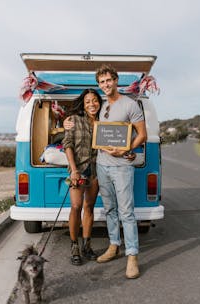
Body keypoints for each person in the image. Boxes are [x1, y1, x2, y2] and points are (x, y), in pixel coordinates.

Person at [95, 64, 147, 279]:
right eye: (101, 82)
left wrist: (126, 149)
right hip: (102, 164)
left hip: (122, 167)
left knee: (126, 211)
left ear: (116, 80)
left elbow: (142, 134)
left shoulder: (130, 104)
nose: (106, 85)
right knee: (110, 209)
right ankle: (114, 245)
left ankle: (132, 255)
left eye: (108, 80)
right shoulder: (102, 105)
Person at [62, 89, 102, 266]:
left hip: (96, 170)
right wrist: (73, 169)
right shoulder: (74, 121)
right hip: (78, 170)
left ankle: (87, 245)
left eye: (94, 100)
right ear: (83, 104)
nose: (91, 104)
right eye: (87, 101)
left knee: (89, 207)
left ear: (99, 103)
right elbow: (67, 144)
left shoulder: (105, 122)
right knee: (76, 206)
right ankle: (74, 247)